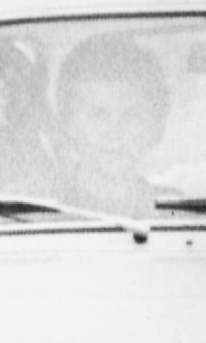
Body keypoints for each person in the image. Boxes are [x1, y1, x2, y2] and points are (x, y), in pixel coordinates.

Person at [54, 33, 171, 215]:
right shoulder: (36, 210)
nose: (115, 132)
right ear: (69, 122)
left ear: (153, 125)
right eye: (99, 116)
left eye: (130, 115)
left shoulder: (173, 212)